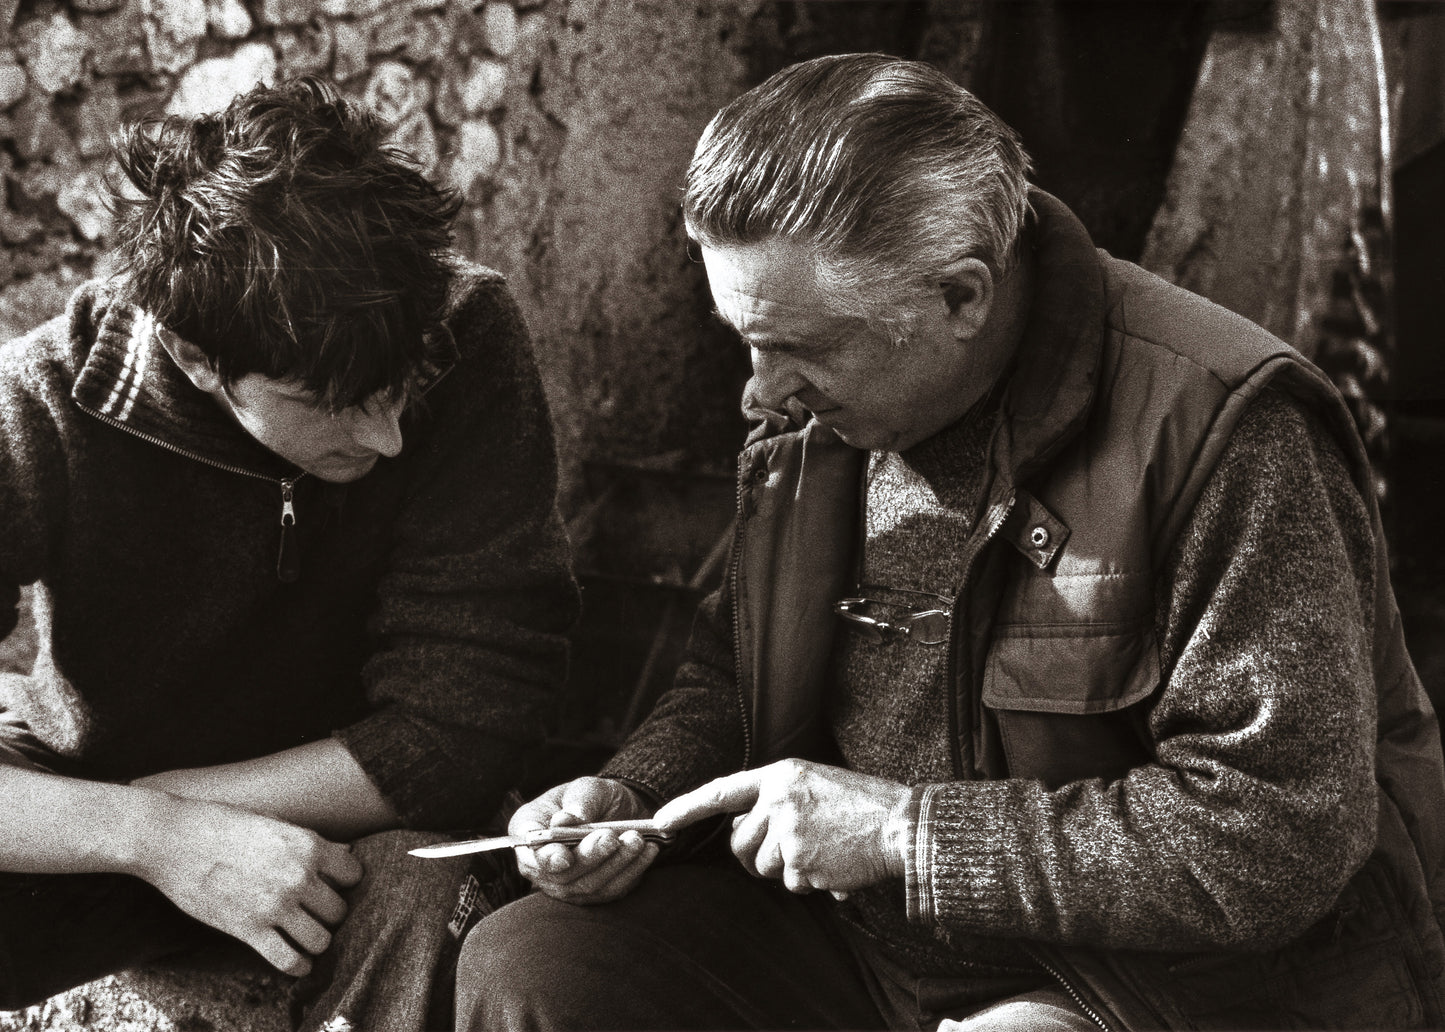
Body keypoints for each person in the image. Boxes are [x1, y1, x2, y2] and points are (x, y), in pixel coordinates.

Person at [455, 53, 1445, 1031]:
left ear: (962, 297)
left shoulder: (1223, 429)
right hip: (867, 940)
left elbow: (1276, 833)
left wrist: (905, 834)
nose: (759, 390)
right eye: (743, 336)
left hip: (1140, 982)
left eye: (799, 345)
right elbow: (733, 676)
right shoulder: (813, 419)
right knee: (535, 964)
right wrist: (636, 795)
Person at [0, 77, 579, 1031]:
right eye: (336, 402)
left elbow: (474, 714)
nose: (389, 436)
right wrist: (152, 834)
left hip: (360, 814)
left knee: (448, 916)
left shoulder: (463, 327)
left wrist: (190, 808)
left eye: (401, 385)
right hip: (104, 796)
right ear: (195, 358)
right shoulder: (41, 403)